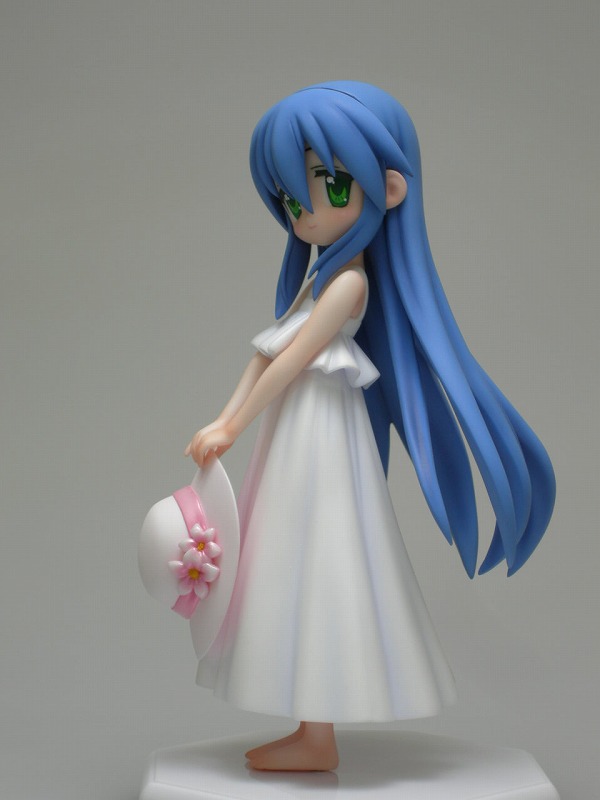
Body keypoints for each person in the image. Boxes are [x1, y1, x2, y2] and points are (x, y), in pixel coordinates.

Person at [184, 82, 555, 771]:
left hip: (321, 438)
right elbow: (267, 350)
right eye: (289, 196)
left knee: (321, 560)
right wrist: (225, 418)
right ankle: (312, 731)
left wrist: (234, 424)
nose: (303, 210)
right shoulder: (322, 275)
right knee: (291, 563)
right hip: (296, 435)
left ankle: (316, 734)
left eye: (324, 186)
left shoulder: (349, 284)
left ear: (389, 188)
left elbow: (295, 359)